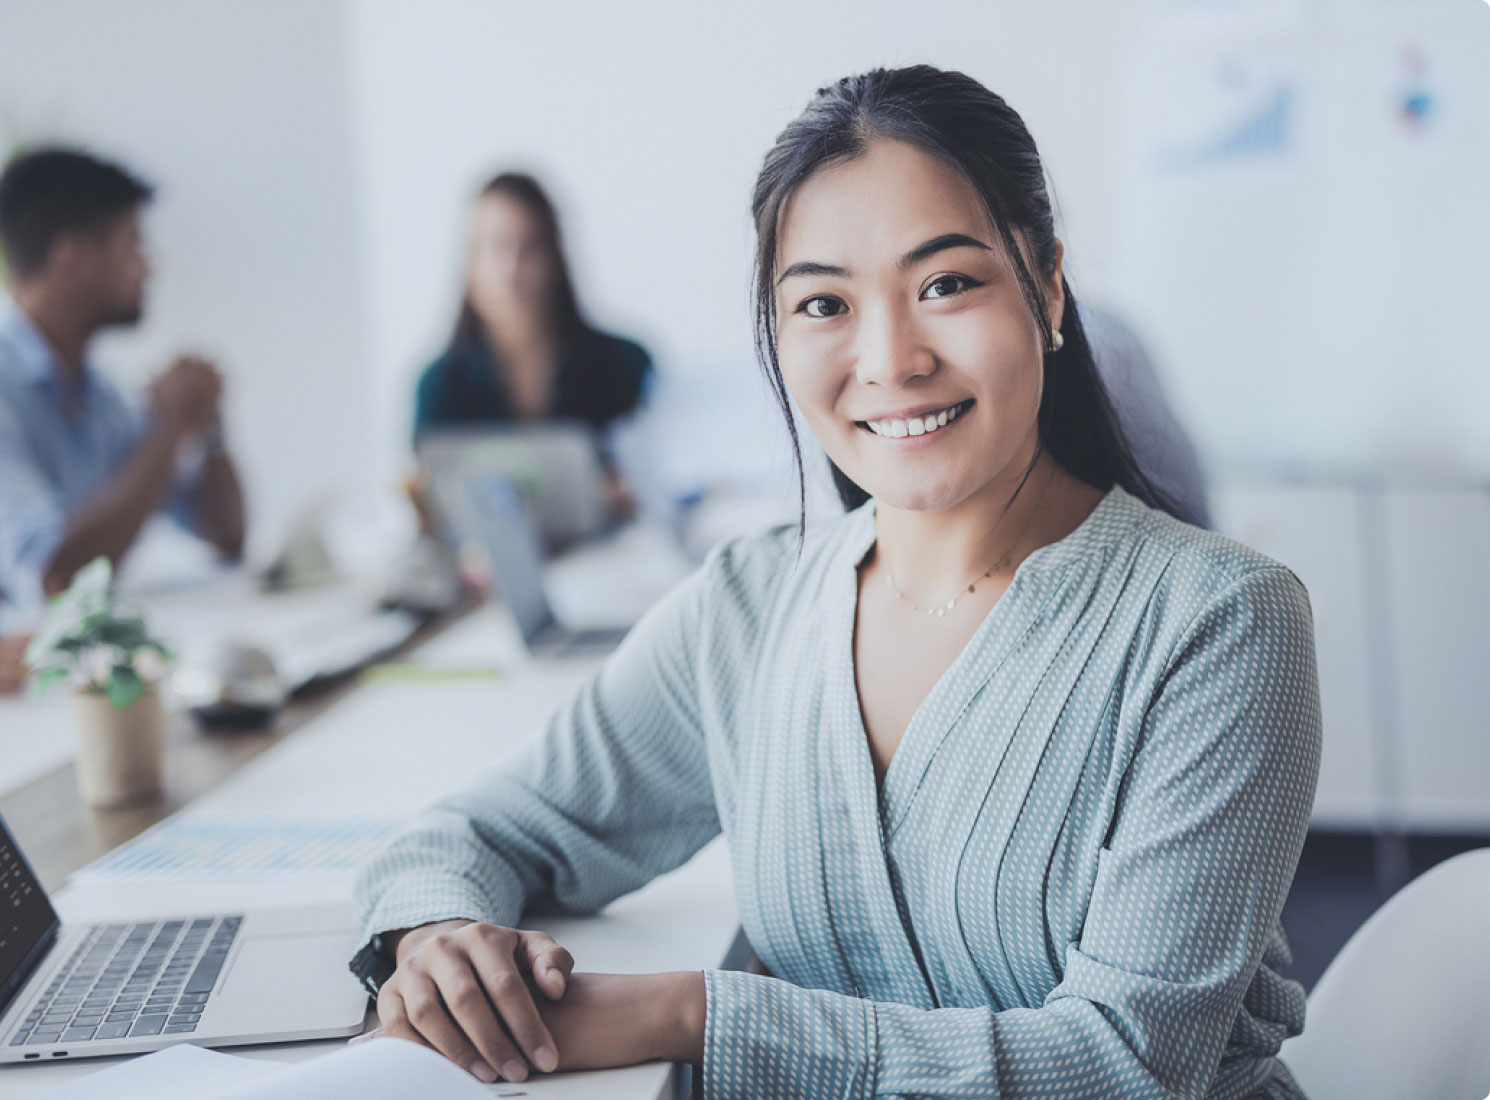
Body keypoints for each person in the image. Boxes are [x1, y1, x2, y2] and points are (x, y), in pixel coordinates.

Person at [352, 66, 1321, 1099]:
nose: (889, 357)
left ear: (1044, 287)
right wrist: (439, 936)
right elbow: (481, 829)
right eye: (822, 302)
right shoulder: (748, 607)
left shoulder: (1219, 621)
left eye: (945, 283)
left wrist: (690, 1011)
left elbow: (1121, 1063)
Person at [0, 147, 246, 611]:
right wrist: (170, 428)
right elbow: (55, 577)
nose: (149, 266)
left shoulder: (100, 396)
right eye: (132, 242)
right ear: (71, 259)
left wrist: (204, 427)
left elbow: (225, 536)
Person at [412, 172, 651, 520]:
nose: (511, 270)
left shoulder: (625, 365)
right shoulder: (439, 386)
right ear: (469, 264)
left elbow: (661, 481)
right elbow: (432, 510)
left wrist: (633, 489)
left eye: (529, 248)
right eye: (494, 248)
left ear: (556, 257)